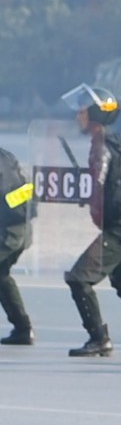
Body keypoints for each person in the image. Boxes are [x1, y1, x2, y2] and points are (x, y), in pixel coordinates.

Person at [59, 84, 121, 357]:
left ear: (93, 114)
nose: (77, 117)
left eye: (81, 112)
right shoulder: (117, 142)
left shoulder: (101, 146)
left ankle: (98, 338)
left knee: (79, 277)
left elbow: (97, 185)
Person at [0, 141, 36, 345]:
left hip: (8, 232)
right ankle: (23, 328)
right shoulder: (6, 156)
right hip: (21, 228)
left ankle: (23, 328)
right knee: (1, 275)